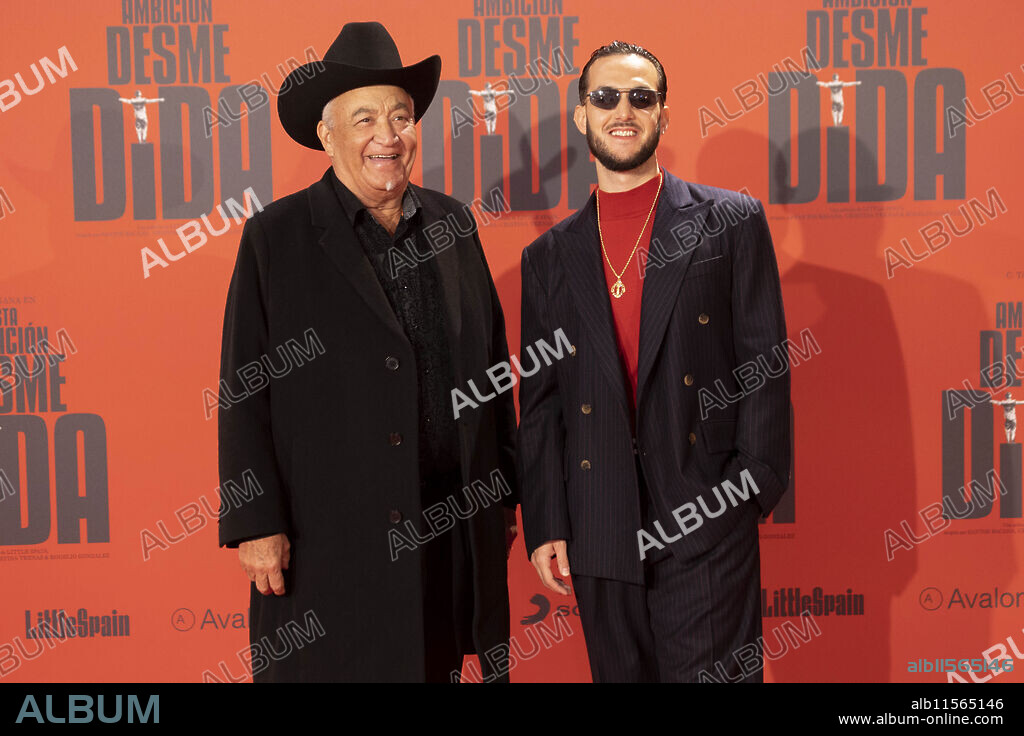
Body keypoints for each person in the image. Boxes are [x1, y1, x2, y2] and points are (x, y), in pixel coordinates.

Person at [217, 22, 518, 683]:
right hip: (327, 545)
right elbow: (243, 390)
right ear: (326, 136)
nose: (388, 136)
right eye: (364, 119)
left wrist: (503, 495)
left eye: (401, 116)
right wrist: (254, 522)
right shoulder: (277, 236)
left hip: (444, 532)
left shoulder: (453, 224)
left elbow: (492, 371)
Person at [517, 40, 791, 682]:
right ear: (581, 116)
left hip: (705, 517)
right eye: (605, 97)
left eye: (642, 98)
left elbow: (765, 362)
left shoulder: (730, 221)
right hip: (598, 524)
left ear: (664, 115)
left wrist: (749, 489)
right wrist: (546, 521)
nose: (624, 110)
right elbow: (542, 401)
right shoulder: (549, 257)